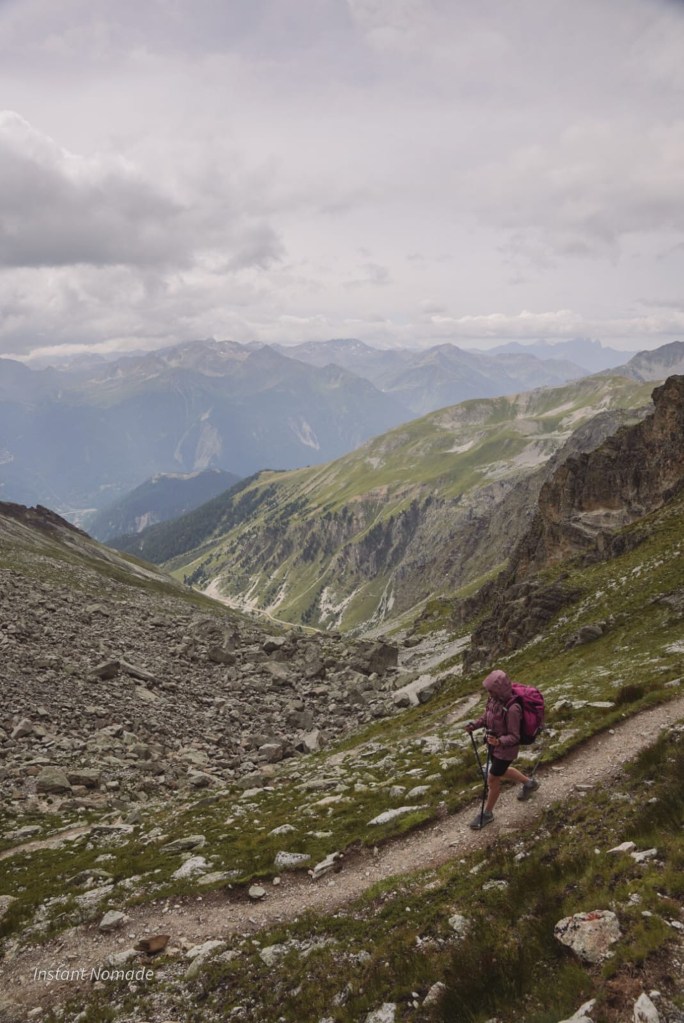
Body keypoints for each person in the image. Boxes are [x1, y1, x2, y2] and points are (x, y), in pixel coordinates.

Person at [465, 668, 539, 829]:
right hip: (494, 746)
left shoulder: (513, 709)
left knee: (492, 779)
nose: (489, 693)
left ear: (499, 689)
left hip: (506, 751)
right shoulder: (493, 700)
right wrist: (475, 725)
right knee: (501, 772)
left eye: (491, 690)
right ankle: (529, 783)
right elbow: (487, 717)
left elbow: (514, 737)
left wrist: (499, 741)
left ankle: (487, 814)